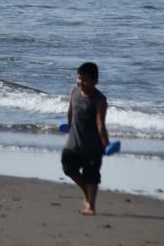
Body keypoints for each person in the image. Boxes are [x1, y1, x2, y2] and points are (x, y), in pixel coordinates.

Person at [61, 62, 110, 216]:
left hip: (93, 147)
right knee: (68, 167)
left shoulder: (99, 99)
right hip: (74, 143)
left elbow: (100, 124)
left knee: (92, 176)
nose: (81, 82)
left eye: (85, 79)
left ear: (95, 81)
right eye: (79, 78)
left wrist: (106, 144)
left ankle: (91, 206)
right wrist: (68, 127)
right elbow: (70, 112)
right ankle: (87, 193)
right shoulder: (74, 92)